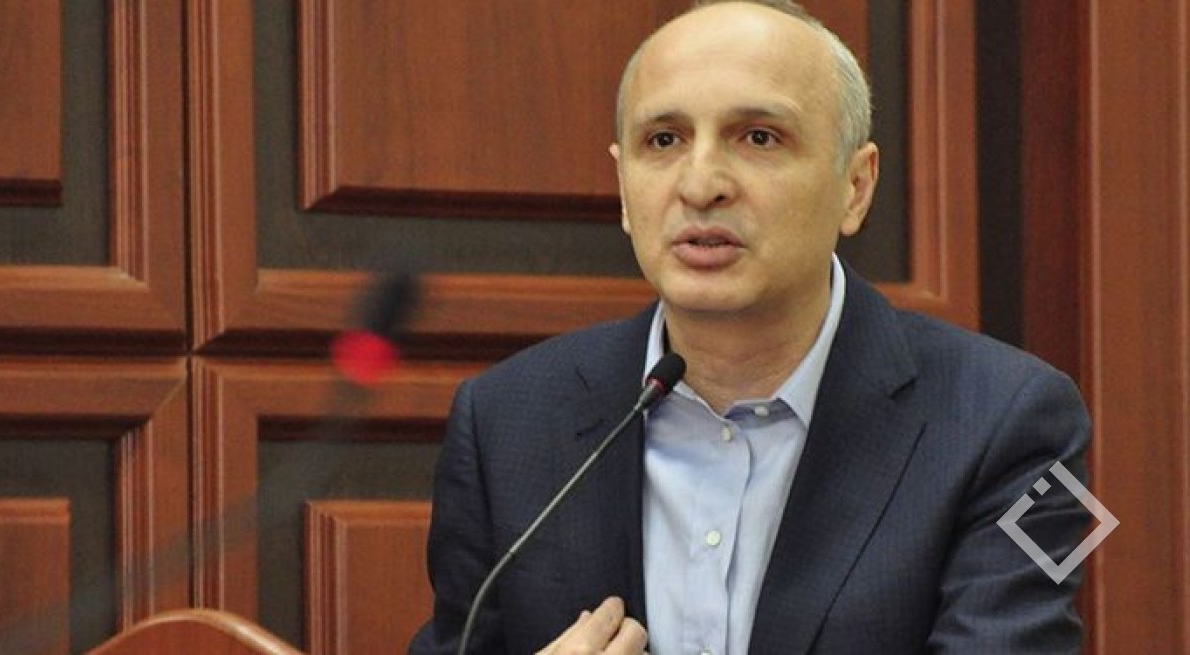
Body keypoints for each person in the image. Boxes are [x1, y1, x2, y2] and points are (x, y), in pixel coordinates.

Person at [410, 1, 1092, 653]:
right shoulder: (504, 422)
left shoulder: (1019, 423)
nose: (701, 184)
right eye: (664, 140)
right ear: (622, 187)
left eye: (759, 137)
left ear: (856, 187)